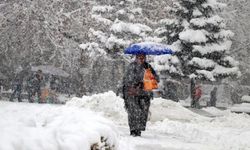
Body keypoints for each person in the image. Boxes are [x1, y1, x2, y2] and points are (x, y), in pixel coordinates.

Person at [122, 54, 159, 137]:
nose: (141, 59)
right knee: (133, 111)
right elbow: (127, 80)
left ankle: (139, 129)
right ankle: (133, 130)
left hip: (145, 94)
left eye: (143, 58)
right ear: (136, 58)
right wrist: (137, 83)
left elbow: (156, 79)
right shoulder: (131, 66)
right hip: (132, 94)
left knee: (143, 113)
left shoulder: (148, 66)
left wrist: (150, 75)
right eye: (140, 58)